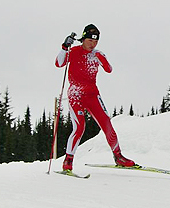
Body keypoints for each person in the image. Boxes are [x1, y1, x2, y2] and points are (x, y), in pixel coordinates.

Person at [55, 24, 135, 171]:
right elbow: (59, 63)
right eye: (90, 40)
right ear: (83, 39)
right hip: (76, 94)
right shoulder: (74, 51)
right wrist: (64, 47)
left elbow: (109, 69)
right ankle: (68, 160)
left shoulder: (96, 54)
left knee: (107, 123)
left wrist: (100, 57)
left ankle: (118, 156)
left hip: (92, 95)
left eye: (96, 41)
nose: (93, 44)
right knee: (79, 127)